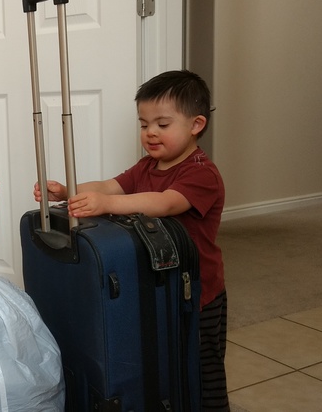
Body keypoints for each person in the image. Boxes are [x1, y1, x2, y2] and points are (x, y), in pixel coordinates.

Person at [34, 70, 228, 410]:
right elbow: (109, 186)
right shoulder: (147, 165)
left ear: (196, 125)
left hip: (198, 292)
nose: (150, 132)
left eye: (162, 124)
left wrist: (107, 205)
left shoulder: (201, 173)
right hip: (160, 286)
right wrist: (67, 191)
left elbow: (165, 203)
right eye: (144, 124)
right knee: (164, 359)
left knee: (201, 366)